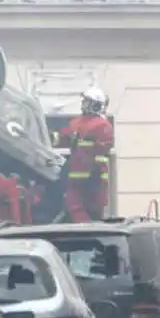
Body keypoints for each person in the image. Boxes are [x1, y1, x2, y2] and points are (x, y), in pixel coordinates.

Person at [63, 86, 114, 222]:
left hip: (94, 180)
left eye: (86, 101)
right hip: (77, 178)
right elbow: (64, 136)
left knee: (91, 211)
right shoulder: (77, 123)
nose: (83, 104)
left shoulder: (103, 126)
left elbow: (100, 152)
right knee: (74, 206)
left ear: (96, 105)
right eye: (84, 101)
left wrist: (93, 173)